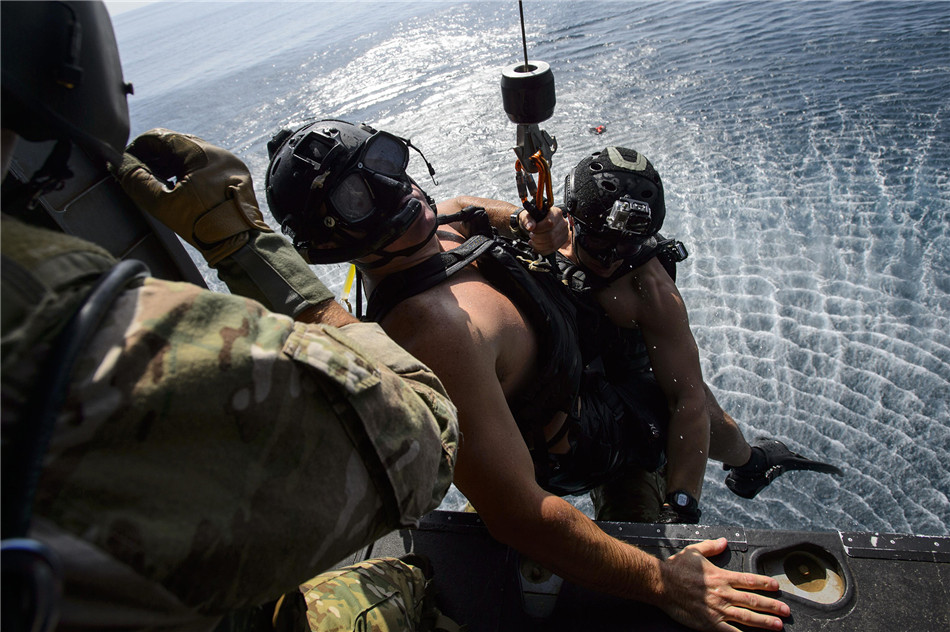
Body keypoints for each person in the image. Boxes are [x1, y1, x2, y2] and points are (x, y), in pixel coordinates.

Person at [1, 3, 458, 630]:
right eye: (360, 191)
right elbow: (425, 440)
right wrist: (246, 245)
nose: (397, 192)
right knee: (403, 580)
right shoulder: (73, 327)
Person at [263, 119, 791, 631]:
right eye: (357, 197)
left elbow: (467, 213)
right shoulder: (436, 333)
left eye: (384, 160)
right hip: (576, 444)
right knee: (671, 420)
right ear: (332, 247)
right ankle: (749, 461)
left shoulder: (435, 225)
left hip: (572, 374)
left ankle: (748, 460)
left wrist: (524, 223)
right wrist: (664, 580)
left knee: (688, 406)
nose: (396, 189)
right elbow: (518, 516)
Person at [459, 145, 843, 522]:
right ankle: (754, 461)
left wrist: (681, 503)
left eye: (628, 246)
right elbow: (457, 208)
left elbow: (687, 401)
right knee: (483, 522)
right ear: (573, 219)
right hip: (560, 397)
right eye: (599, 243)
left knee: (641, 527)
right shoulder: (546, 233)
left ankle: (753, 461)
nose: (611, 259)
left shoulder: (649, 288)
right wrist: (520, 221)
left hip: (632, 407)